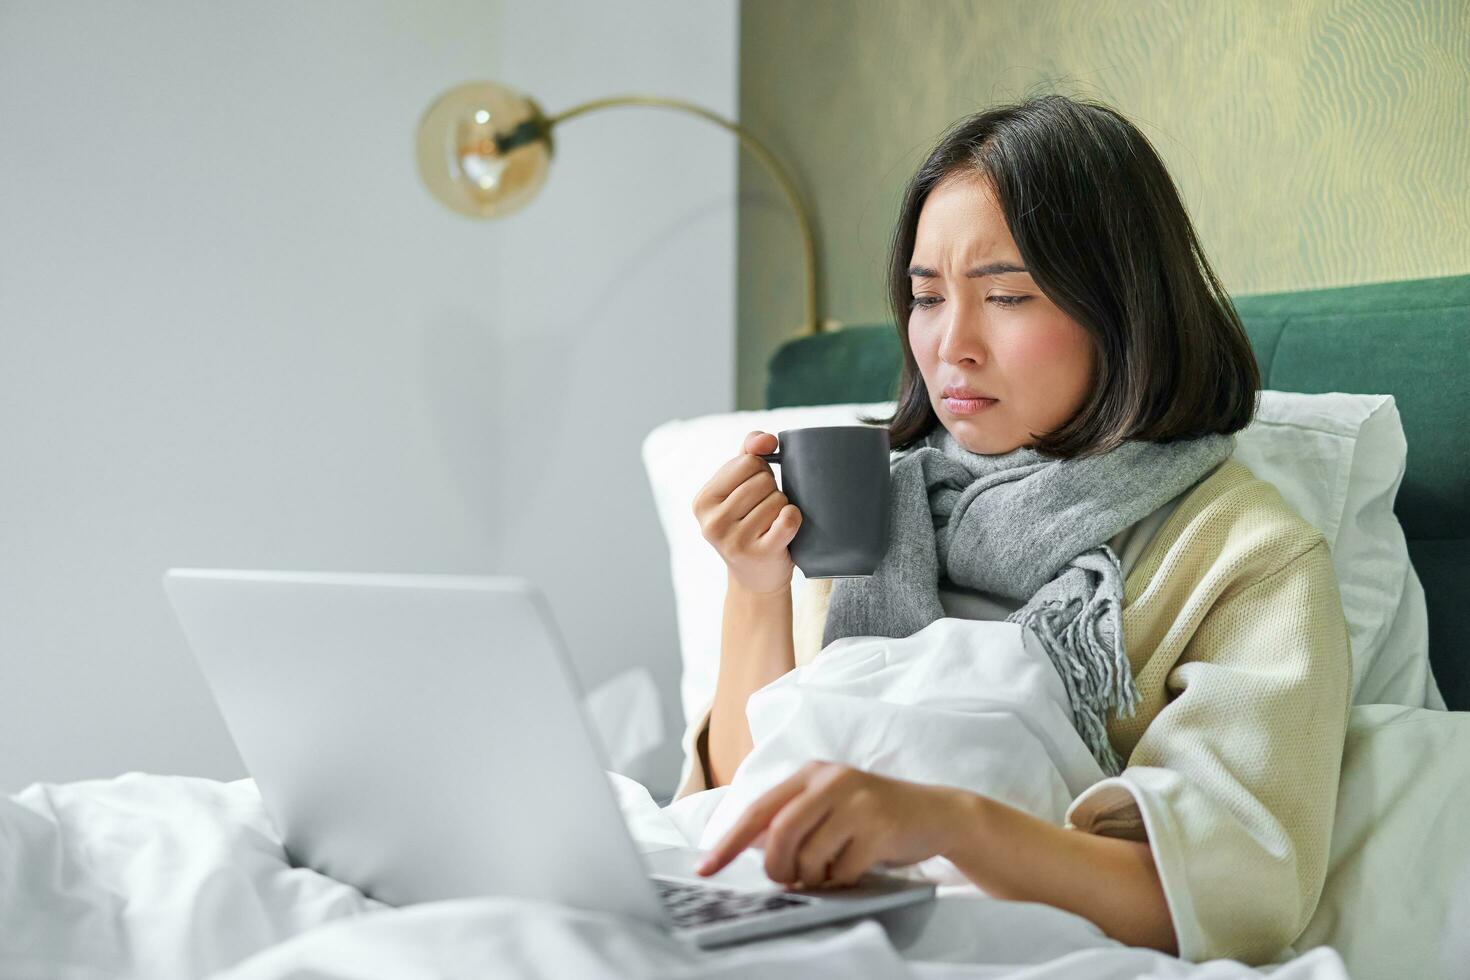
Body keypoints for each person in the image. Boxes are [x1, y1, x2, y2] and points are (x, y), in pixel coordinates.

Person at [676, 93, 1352, 966]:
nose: (951, 344)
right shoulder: (878, 505)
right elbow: (738, 797)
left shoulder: (1241, 552)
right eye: (926, 297)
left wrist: (943, 820)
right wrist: (755, 587)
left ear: (1122, 308)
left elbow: (1233, 893)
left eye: (1006, 295)